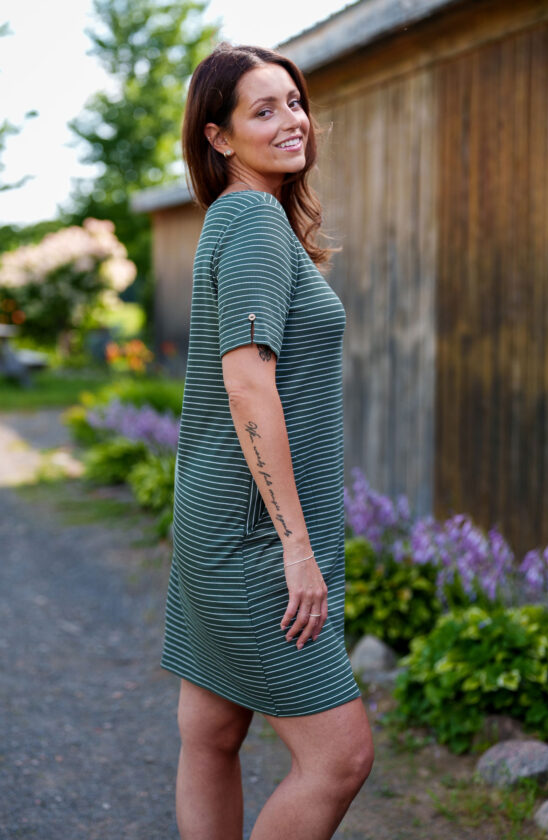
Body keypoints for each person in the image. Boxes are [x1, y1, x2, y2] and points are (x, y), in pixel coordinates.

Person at [160, 42, 374, 840]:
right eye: (264, 109)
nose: (292, 121)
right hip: (255, 537)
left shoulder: (245, 219)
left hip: (217, 520)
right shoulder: (249, 217)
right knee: (341, 757)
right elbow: (246, 383)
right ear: (219, 138)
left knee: (210, 734)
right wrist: (295, 545)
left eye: (293, 101)